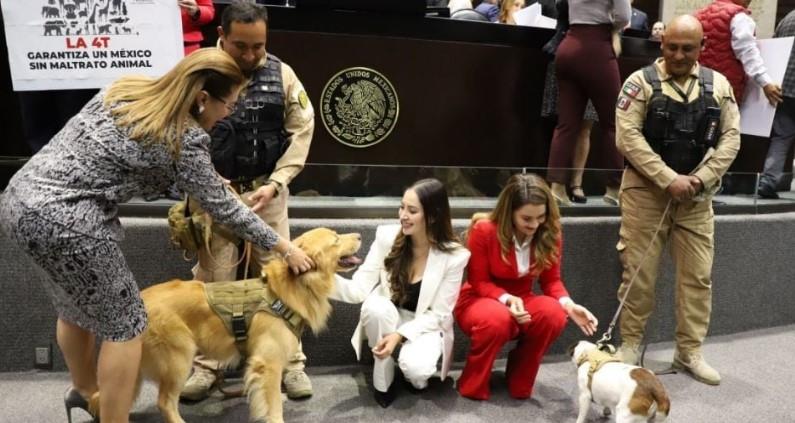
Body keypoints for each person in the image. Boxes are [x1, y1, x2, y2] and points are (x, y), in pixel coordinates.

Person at [0, 48, 313, 423]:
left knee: (73, 309)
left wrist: (206, 181)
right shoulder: (188, 140)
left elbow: (124, 156)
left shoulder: (126, 90)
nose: (229, 113)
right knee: (128, 325)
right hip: (68, 222)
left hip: (19, 202)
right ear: (201, 99)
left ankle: (84, 393)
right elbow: (228, 211)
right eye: (227, 104)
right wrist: (284, 247)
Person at [181, 1, 317, 401]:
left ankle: (291, 364)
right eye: (241, 46)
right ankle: (208, 367)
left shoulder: (283, 73)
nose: (251, 55)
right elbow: (179, 127)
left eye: (259, 45)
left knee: (282, 281)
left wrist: (277, 182)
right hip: (213, 196)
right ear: (220, 36)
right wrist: (203, 179)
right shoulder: (196, 73)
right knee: (214, 284)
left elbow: (303, 128)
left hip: (266, 193)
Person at [613, 15, 740, 386]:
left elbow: (731, 138)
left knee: (697, 278)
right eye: (672, 47)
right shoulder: (640, 83)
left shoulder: (718, 85)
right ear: (661, 44)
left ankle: (689, 351)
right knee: (638, 276)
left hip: (698, 200)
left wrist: (699, 179)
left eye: (688, 48)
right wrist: (668, 179)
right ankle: (631, 345)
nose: (679, 55)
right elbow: (628, 138)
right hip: (645, 196)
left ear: (702, 48)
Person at [454, 173, 598, 400]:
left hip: (523, 298)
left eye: (541, 216)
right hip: (480, 298)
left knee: (554, 314)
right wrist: (507, 300)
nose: (535, 224)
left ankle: (519, 376)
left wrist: (569, 305)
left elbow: (551, 281)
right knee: (496, 319)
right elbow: (478, 282)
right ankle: (472, 382)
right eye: (527, 218)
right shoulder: (484, 230)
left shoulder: (550, 231)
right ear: (509, 211)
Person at [330, 178, 470, 407]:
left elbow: (439, 315)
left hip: (425, 322)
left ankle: (410, 372)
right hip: (388, 313)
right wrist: (317, 277)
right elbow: (358, 289)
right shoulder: (386, 237)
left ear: (433, 216)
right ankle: (382, 380)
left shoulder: (455, 256)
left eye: (412, 210)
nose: (403, 215)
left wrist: (399, 336)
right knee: (376, 307)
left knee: (417, 372)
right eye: (402, 207)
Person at [545, 0, 630, 206]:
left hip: (568, 46)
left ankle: (556, 187)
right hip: (597, 48)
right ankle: (613, 188)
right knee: (614, 122)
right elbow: (624, 17)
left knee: (566, 125)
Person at [694, 0, 783, 106]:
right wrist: (765, 82)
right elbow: (747, 51)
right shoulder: (738, 17)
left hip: (698, 86)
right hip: (726, 88)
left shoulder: (701, 14)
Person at [757, 10, 795, 199]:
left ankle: (768, 182)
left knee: (782, 137)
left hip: (784, 88)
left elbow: (773, 45)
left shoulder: (788, 18)